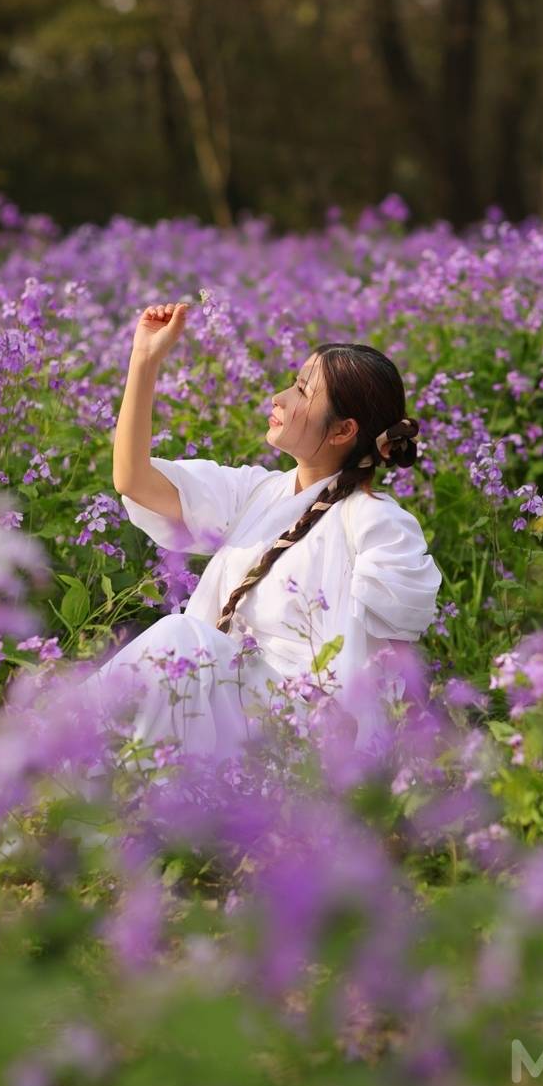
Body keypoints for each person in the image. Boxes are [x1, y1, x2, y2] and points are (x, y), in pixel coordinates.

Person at [99, 300, 443, 761]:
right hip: (219, 701)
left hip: (296, 736)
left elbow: (394, 665)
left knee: (178, 639)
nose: (280, 397)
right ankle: (47, 765)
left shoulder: (379, 524)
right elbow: (133, 480)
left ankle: (50, 763)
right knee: (178, 643)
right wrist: (144, 359)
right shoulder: (254, 494)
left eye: (303, 391)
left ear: (342, 431)